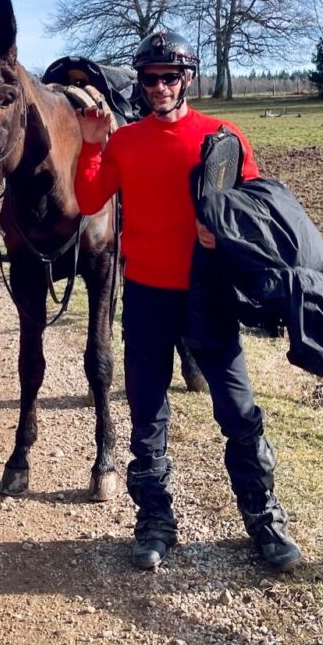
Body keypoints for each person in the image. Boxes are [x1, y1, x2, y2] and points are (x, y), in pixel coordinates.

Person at [74, 30, 301, 573]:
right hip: (148, 297)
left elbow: (254, 214)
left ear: (187, 78)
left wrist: (220, 236)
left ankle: (264, 520)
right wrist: (90, 143)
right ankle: (155, 521)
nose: (159, 87)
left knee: (238, 409)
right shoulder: (125, 143)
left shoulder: (223, 138)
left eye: (169, 77)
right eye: (150, 79)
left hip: (209, 295)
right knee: (147, 414)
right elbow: (87, 198)